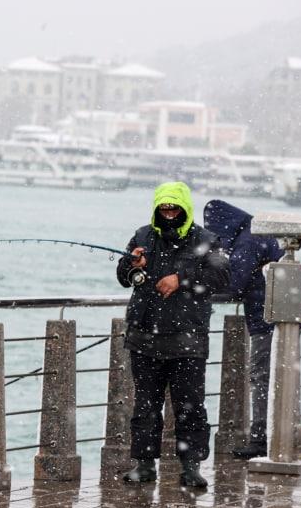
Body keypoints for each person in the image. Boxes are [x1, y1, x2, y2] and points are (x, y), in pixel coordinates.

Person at [116, 181, 229, 489]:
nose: (168, 213)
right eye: (163, 208)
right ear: (156, 209)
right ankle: (144, 465)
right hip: (144, 338)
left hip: (188, 340)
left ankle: (191, 467)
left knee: (190, 406)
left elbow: (221, 277)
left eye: (174, 208)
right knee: (145, 406)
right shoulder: (142, 236)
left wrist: (181, 278)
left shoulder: (207, 240)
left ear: (185, 208)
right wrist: (131, 264)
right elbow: (124, 277)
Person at [202, 199, 284, 460]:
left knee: (261, 377)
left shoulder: (249, 240)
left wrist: (199, 288)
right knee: (276, 379)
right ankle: (278, 435)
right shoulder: (256, 232)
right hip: (280, 315)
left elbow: (235, 282)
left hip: (267, 319)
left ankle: (261, 440)